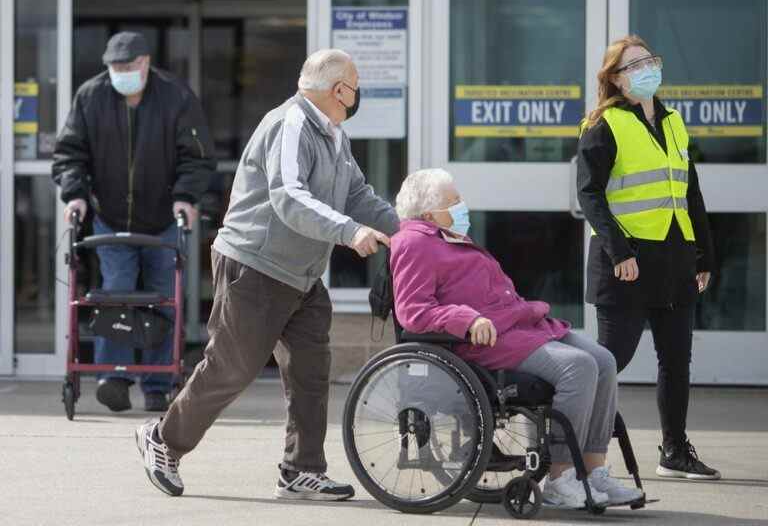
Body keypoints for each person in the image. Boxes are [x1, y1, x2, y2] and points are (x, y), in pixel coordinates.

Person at [134, 49, 400, 501]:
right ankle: (163, 438)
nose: (356, 97)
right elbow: (289, 198)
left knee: (311, 372)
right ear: (339, 90)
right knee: (232, 368)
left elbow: (358, 194)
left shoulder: (334, 134)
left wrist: (411, 232)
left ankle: (301, 471)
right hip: (256, 267)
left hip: (302, 275)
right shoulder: (291, 123)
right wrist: (349, 232)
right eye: (354, 87)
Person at [390, 168, 644, 509]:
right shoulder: (414, 243)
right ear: (427, 214)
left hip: (519, 325)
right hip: (484, 340)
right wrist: (468, 319)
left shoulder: (448, 237)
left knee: (604, 360)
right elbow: (413, 311)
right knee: (578, 367)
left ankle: (595, 471)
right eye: (454, 201)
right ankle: (561, 475)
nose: (463, 205)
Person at [577, 35, 719, 480]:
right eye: (634, 64)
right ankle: (574, 445)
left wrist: (704, 256)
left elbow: (688, 192)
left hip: (675, 260)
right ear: (615, 79)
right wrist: (619, 251)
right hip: (628, 262)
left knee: (676, 361)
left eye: (649, 60)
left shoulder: (675, 122)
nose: (646, 69)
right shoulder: (603, 124)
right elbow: (590, 195)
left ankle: (674, 451)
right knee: (608, 361)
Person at [52, 32, 216, 413]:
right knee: (117, 292)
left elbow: (197, 156)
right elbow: (69, 153)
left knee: (162, 296)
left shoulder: (175, 97)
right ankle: (114, 377)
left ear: (145, 63)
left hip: (162, 216)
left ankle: (157, 382)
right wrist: (74, 194)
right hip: (110, 217)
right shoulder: (91, 97)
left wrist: (185, 197)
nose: (121, 74)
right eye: (114, 68)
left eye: (128, 67)